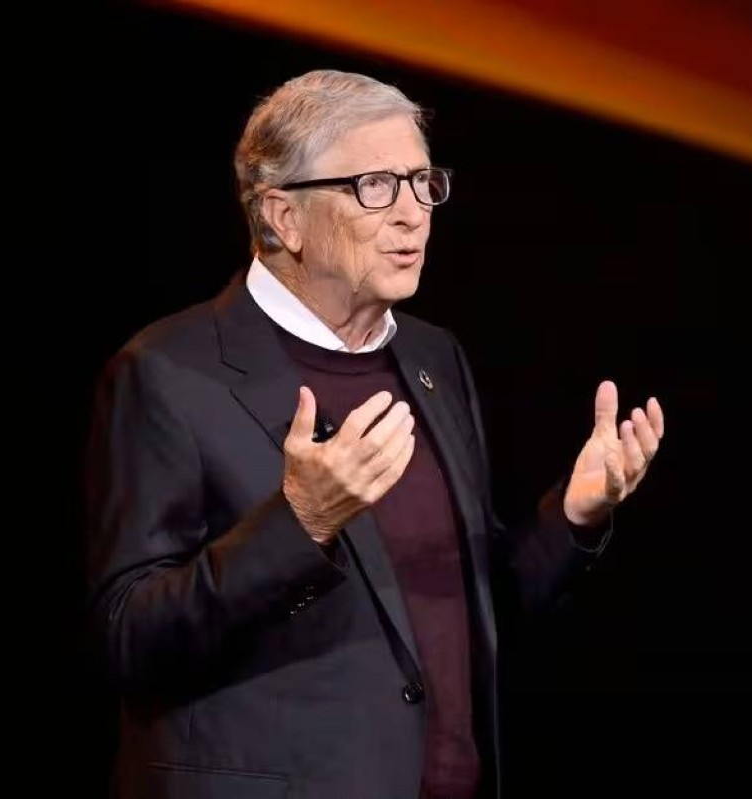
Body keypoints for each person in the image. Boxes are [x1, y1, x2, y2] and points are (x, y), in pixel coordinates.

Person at [84, 68, 665, 799]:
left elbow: (474, 606)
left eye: (422, 183)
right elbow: (130, 641)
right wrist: (300, 523)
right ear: (283, 217)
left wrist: (573, 517)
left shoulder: (432, 358)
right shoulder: (168, 371)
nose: (414, 214)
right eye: (375, 186)